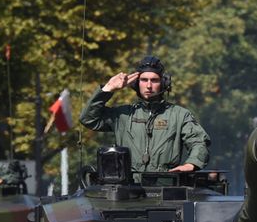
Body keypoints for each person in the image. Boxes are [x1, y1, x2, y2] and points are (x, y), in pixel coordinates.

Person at [79, 55, 209, 174]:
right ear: (136, 83)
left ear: (164, 83)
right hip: (128, 188)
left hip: (165, 186)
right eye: (144, 80)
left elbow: (198, 141)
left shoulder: (179, 115)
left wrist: (191, 164)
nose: (148, 86)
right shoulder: (123, 115)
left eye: (154, 80)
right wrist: (107, 89)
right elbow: (89, 119)